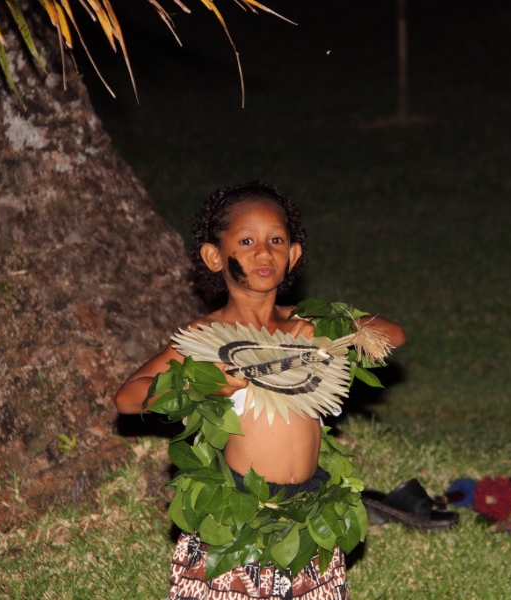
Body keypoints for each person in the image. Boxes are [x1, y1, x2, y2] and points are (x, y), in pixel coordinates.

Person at [114, 181, 406, 599]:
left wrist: (330, 329)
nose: (263, 252)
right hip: (237, 509)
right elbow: (127, 397)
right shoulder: (206, 335)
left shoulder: (308, 324)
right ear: (215, 257)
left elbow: (393, 334)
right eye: (246, 241)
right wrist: (206, 382)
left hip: (307, 509)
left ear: (294, 254)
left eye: (276, 240)